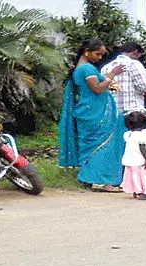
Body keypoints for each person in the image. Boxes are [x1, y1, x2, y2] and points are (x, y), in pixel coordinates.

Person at [58, 39, 126, 192]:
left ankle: (92, 178)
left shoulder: (81, 68)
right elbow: (97, 89)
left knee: (95, 146)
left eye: (101, 55)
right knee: (103, 146)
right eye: (98, 54)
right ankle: (101, 181)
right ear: (86, 51)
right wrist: (111, 75)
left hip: (90, 111)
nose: (99, 58)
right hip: (94, 114)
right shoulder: (87, 69)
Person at [102, 41, 146, 114]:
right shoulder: (133, 63)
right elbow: (144, 86)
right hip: (133, 112)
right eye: (139, 56)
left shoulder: (105, 68)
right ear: (135, 52)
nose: (138, 59)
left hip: (113, 113)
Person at [121, 111, 146, 200]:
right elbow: (142, 148)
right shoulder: (142, 135)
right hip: (139, 159)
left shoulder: (128, 134)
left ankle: (136, 191)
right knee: (143, 176)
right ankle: (141, 192)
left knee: (133, 175)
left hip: (129, 159)